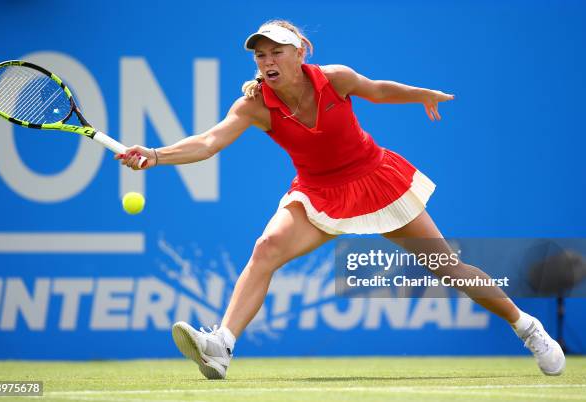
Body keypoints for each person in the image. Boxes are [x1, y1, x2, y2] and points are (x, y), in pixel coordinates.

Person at [116, 20, 565, 380]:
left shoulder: (335, 79)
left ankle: (526, 326)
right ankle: (221, 345)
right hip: (316, 193)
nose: (267, 61)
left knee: (446, 265)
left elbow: (380, 89)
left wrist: (420, 95)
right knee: (266, 249)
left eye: (276, 52)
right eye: (260, 54)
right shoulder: (255, 105)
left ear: (299, 53)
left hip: (376, 178)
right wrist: (156, 155)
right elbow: (209, 142)